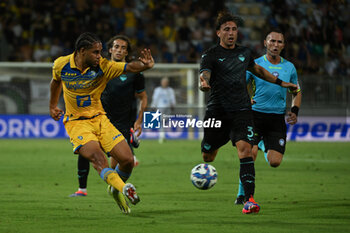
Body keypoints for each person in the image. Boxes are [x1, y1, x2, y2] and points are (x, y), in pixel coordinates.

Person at [198, 12, 297, 214]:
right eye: (226, 29)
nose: (231, 33)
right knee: (207, 156)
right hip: (217, 112)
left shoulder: (244, 53)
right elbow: (205, 72)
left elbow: (259, 71)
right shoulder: (210, 55)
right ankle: (224, 139)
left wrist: (280, 82)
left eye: (234, 29)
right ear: (218, 33)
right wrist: (204, 82)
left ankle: (249, 199)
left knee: (245, 150)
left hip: (242, 111)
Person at [49, 32, 154, 213]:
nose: (100, 56)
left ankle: (114, 188)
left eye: (100, 52)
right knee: (99, 159)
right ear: (82, 51)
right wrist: (52, 106)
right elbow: (55, 81)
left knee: (127, 160)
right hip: (77, 123)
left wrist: (145, 66)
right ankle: (123, 188)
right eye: (95, 52)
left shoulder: (104, 67)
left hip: (100, 120)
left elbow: (130, 67)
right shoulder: (61, 64)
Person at [235, 29, 302, 204]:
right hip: (255, 116)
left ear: (283, 45)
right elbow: (241, 84)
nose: (275, 45)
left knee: (275, 162)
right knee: (249, 154)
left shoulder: (289, 67)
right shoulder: (255, 64)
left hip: (276, 119)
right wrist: (245, 99)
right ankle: (242, 194)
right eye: (272, 41)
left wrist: (294, 111)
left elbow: (297, 91)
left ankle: (264, 144)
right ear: (265, 43)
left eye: (279, 42)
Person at [151, 77, 176, 143]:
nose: (164, 83)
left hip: (167, 108)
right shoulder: (157, 90)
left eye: (166, 82)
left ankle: (162, 135)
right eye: (163, 82)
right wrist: (153, 105)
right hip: (160, 107)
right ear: (161, 83)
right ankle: (162, 136)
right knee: (161, 121)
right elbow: (155, 98)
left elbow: (172, 98)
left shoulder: (170, 90)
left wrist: (173, 105)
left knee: (165, 121)